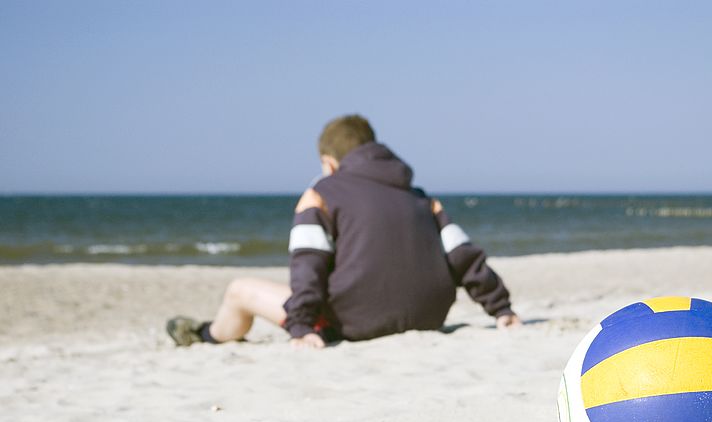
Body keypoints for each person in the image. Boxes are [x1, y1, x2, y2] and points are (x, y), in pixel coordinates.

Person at [166, 114, 520, 349]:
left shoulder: (321, 192)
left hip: (354, 323)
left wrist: (301, 326)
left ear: (329, 161)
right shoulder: (421, 198)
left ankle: (206, 335)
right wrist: (500, 309)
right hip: (428, 317)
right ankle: (207, 332)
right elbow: (463, 256)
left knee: (239, 290)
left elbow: (309, 263)